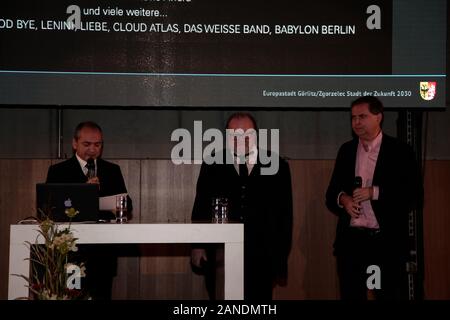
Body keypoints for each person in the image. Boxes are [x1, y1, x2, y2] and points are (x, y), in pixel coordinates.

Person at [326, 96, 423, 300]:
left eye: (362, 116)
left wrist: (374, 192)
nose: (356, 122)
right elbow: (331, 193)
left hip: (385, 244)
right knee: (351, 295)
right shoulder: (346, 150)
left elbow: (414, 194)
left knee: (387, 295)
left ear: (378, 117)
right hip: (352, 243)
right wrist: (343, 199)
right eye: (353, 118)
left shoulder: (400, 151)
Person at [191, 112, 293, 300]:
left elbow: (285, 216)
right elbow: (201, 206)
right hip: (220, 255)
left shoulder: (278, 165)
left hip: (262, 257)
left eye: (247, 132)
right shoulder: (212, 163)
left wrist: (279, 260)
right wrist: (198, 246)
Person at [46, 121, 132, 300]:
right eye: (87, 144)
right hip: (71, 251)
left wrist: (116, 205)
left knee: (102, 296)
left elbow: (127, 204)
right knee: (72, 296)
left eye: (98, 144)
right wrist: (83, 192)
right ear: (74, 143)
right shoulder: (59, 171)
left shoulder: (112, 170)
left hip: (103, 252)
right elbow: (49, 207)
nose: (93, 149)